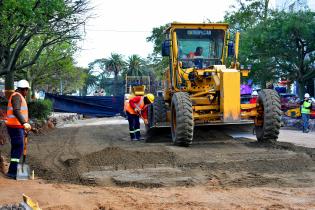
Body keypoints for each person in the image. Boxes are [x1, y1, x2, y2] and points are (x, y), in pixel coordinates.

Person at [5, 80, 32, 179]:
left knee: (16, 147)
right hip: (15, 127)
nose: (27, 92)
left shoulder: (17, 96)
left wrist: (24, 126)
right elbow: (16, 111)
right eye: (27, 90)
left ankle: (12, 170)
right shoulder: (17, 96)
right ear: (24, 89)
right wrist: (24, 123)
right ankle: (12, 172)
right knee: (18, 148)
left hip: (17, 127)